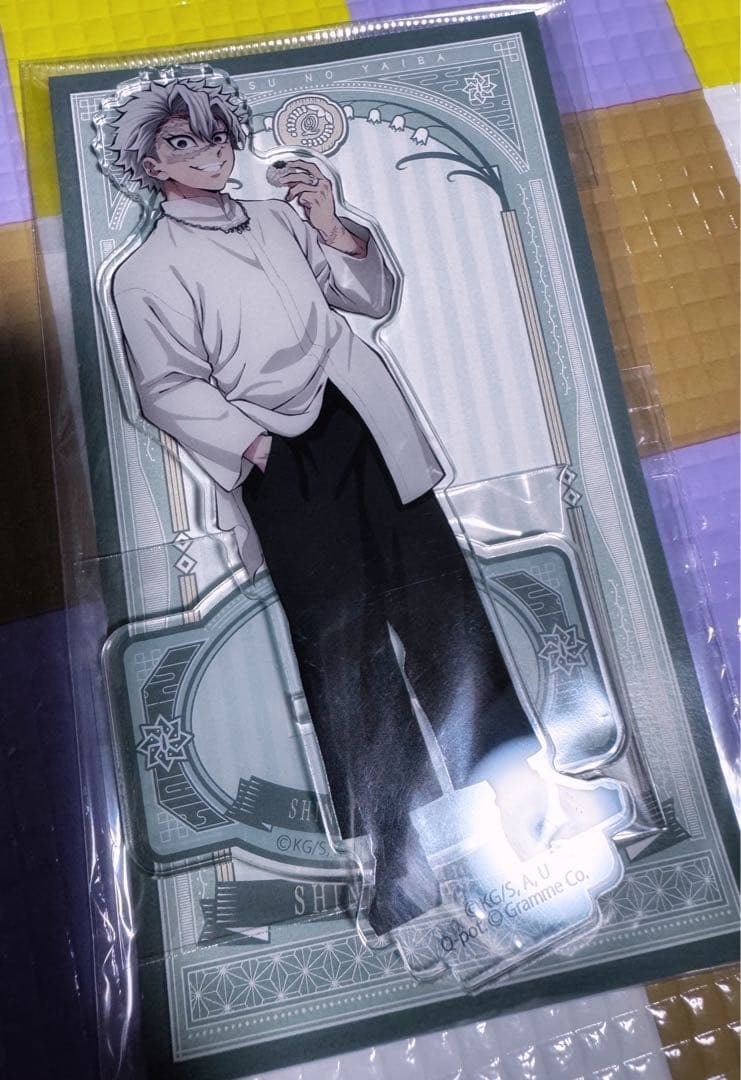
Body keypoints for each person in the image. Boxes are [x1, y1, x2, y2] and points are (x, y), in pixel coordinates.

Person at [108, 75, 534, 935]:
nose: (210, 153)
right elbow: (165, 389)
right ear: (149, 164)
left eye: (218, 136)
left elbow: (372, 299)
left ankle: (522, 798)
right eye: (184, 143)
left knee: (444, 608)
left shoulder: (277, 219)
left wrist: (333, 225)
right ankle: (400, 856)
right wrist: (256, 448)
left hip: (363, 423)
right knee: (344, 653)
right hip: (278, 461)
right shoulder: (145, 273)